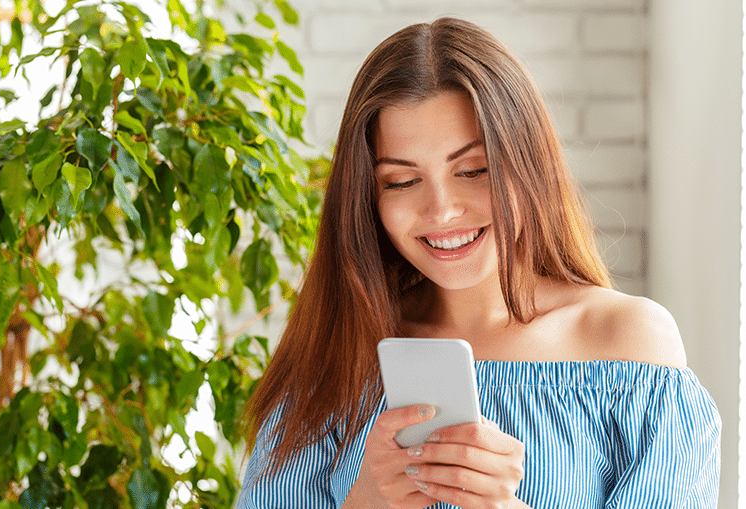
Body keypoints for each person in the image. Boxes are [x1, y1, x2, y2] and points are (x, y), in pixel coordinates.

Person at [237, 17, 721, 509]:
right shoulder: (338, 353)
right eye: (402, 181)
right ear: (368, 197)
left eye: (473, 170)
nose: (442, 210)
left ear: (528, 162)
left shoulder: (628, 346)